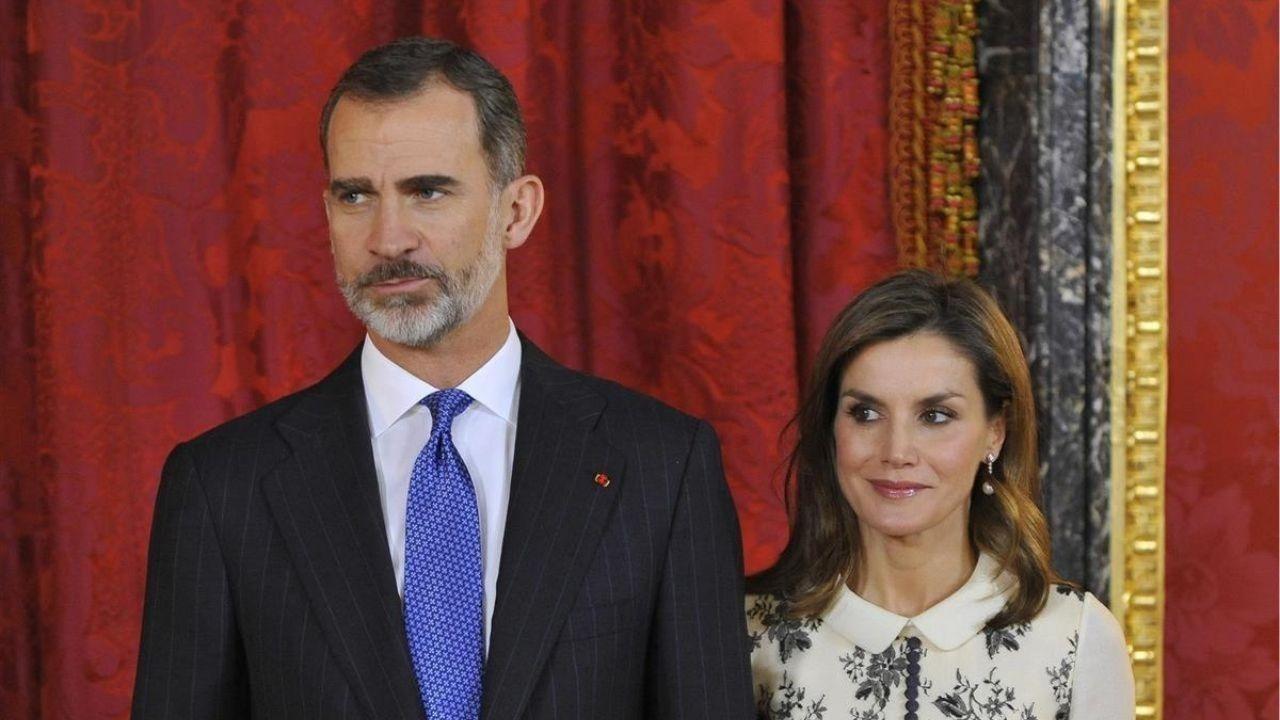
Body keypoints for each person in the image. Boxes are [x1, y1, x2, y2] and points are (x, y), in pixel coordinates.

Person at [132, 36, 753, 720]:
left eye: (427, 191)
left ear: (516, 211)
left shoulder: (662, 467)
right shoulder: (223, 487)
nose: (389, 238)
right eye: (356, 195)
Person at [746, 270, 1134, 719]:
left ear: (995, 433)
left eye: (934, 415)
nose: (896, 451)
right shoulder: (751, 634)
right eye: (866, 413)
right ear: (832, 428)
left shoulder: (1075, 638)